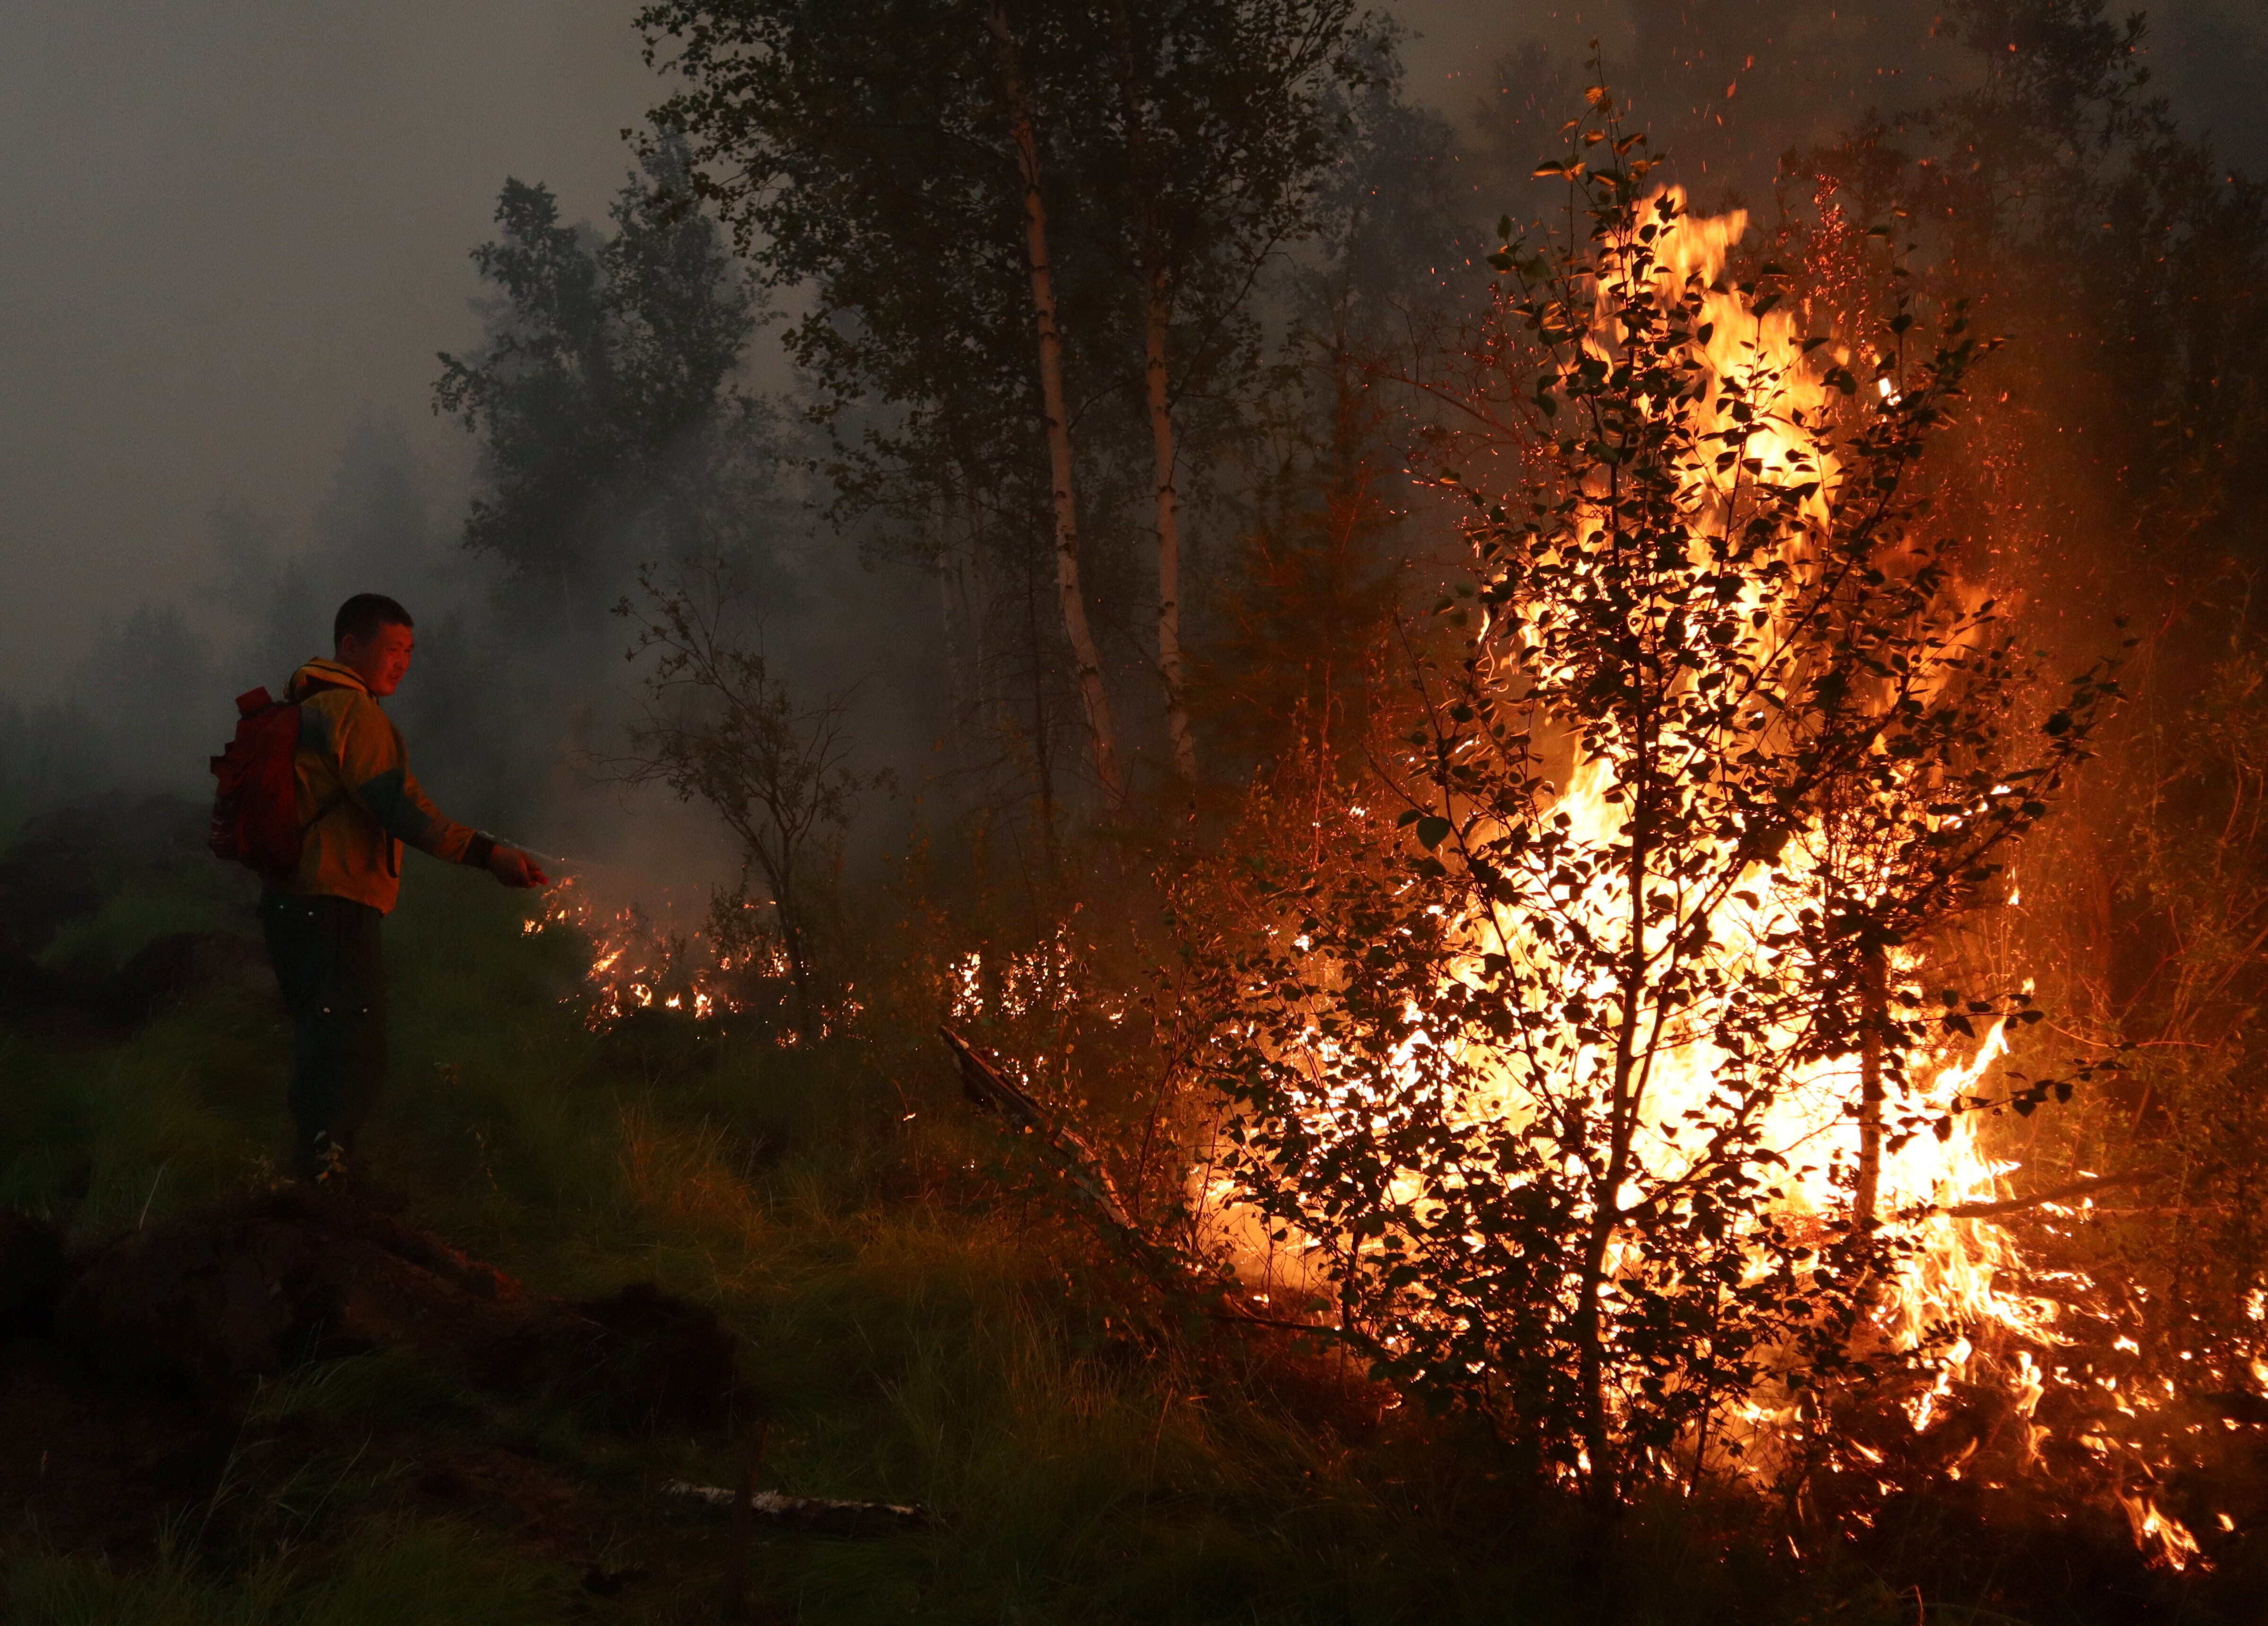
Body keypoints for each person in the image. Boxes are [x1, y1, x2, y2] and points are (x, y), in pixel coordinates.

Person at [260, 593, 549, 1188]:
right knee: (350, 1041)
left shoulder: (303, 704)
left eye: (410, 652)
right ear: (349, 646)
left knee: (324, 1034)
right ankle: (327, 1177)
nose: (403, 663)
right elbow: (400, 809)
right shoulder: (353, 713)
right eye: (392, 649)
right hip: (333, 900)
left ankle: (324, 1162)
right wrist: (488, 854)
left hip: (289, 899)